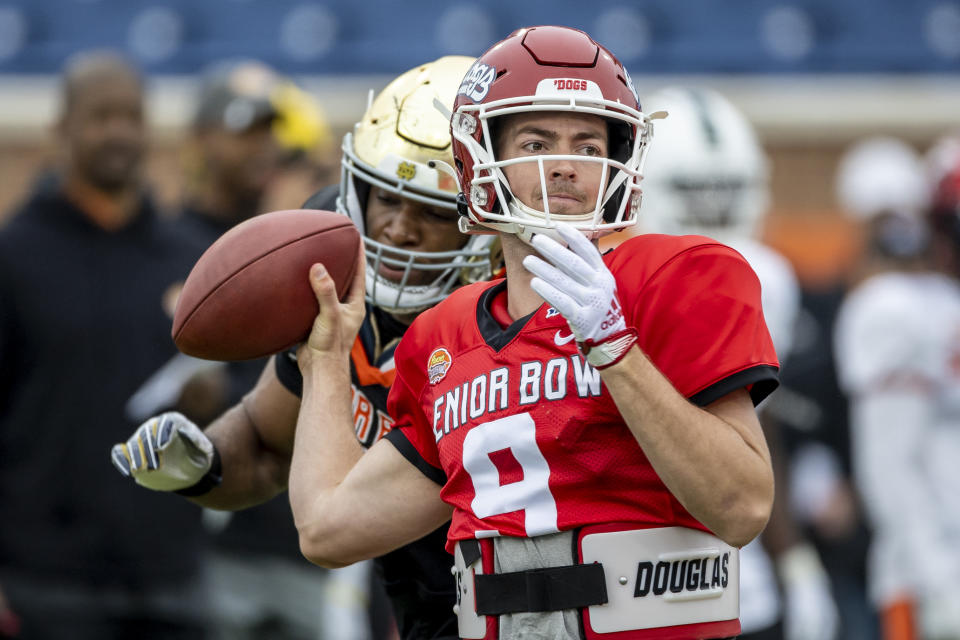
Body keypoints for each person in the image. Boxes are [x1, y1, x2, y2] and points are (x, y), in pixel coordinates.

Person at [287, 25, 779, 640]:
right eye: (537, 140)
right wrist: (327, 360)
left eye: (588, 144)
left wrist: (614, 348)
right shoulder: (442, 336)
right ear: (478, 157)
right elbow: (328, 530)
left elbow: (742, 507)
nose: (566, 165)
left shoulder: (676, 276)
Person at [110, 55, 498, 640]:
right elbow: (269, 445)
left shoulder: (512, 319)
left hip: (525, 606)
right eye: (386, 197)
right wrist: (204, 464)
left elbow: (335, 532)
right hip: (418, 607)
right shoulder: (337, 267)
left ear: (487, 225)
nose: (396, 228)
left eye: (433, 209)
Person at [0, 51, 210, 638]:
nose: (118, 132)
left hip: (171, 575)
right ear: (61, 128)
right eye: (101, 116)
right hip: (47, 580)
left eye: (131, 116)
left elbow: (238, 396)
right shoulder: (15, 255)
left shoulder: (186, 254)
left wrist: (213, 395)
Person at [634, 86, 838, 640]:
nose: (712, 207)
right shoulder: (609, 277)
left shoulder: (763, 274)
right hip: (638, 572)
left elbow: (754, 425)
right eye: (699, 191)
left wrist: (794, 563)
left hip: (735, 574)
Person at [834, 154, 960, 640]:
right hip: (931, 572)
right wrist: (938, 576)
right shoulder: (894, 307)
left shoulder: (937, 300)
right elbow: (887, 463)